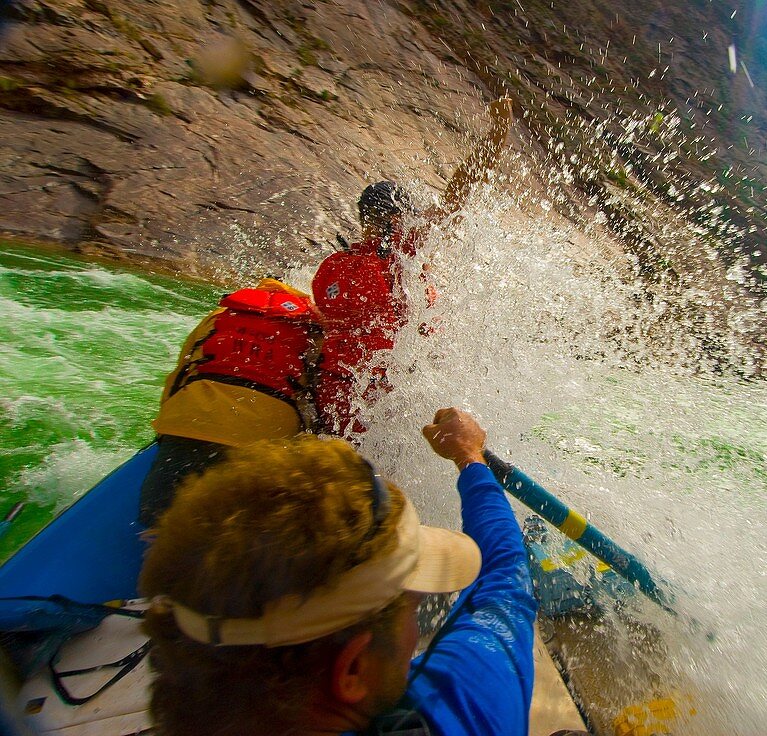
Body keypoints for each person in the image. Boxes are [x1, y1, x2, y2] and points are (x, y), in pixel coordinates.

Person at [138, 407, 537, 736]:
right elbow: (503, 580)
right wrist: (470, 457)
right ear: (352, 670)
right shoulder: (461, 709)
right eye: (410, 605)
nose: (416, 626)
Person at [311, 97, 514, 434]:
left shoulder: (331, 265)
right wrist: (497, 133)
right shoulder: (404, 250)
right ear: (397, 217)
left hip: (330, 394)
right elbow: (462, 189)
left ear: (364, 219)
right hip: (377, 397)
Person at [138, 278, 321, 526]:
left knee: (155, 517)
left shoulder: (220, 315)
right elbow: (313, 399)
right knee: (241, 529)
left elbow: (181, 373)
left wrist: (164, 432)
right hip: (262, 441)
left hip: (188, 423)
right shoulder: (313, 328)